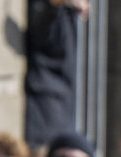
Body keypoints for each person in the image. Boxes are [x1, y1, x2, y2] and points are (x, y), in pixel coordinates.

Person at [24, 0, 88, 146]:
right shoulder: (45, 7)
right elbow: (39, 30)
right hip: (45, 107)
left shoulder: (68, 11)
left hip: (63, 101)